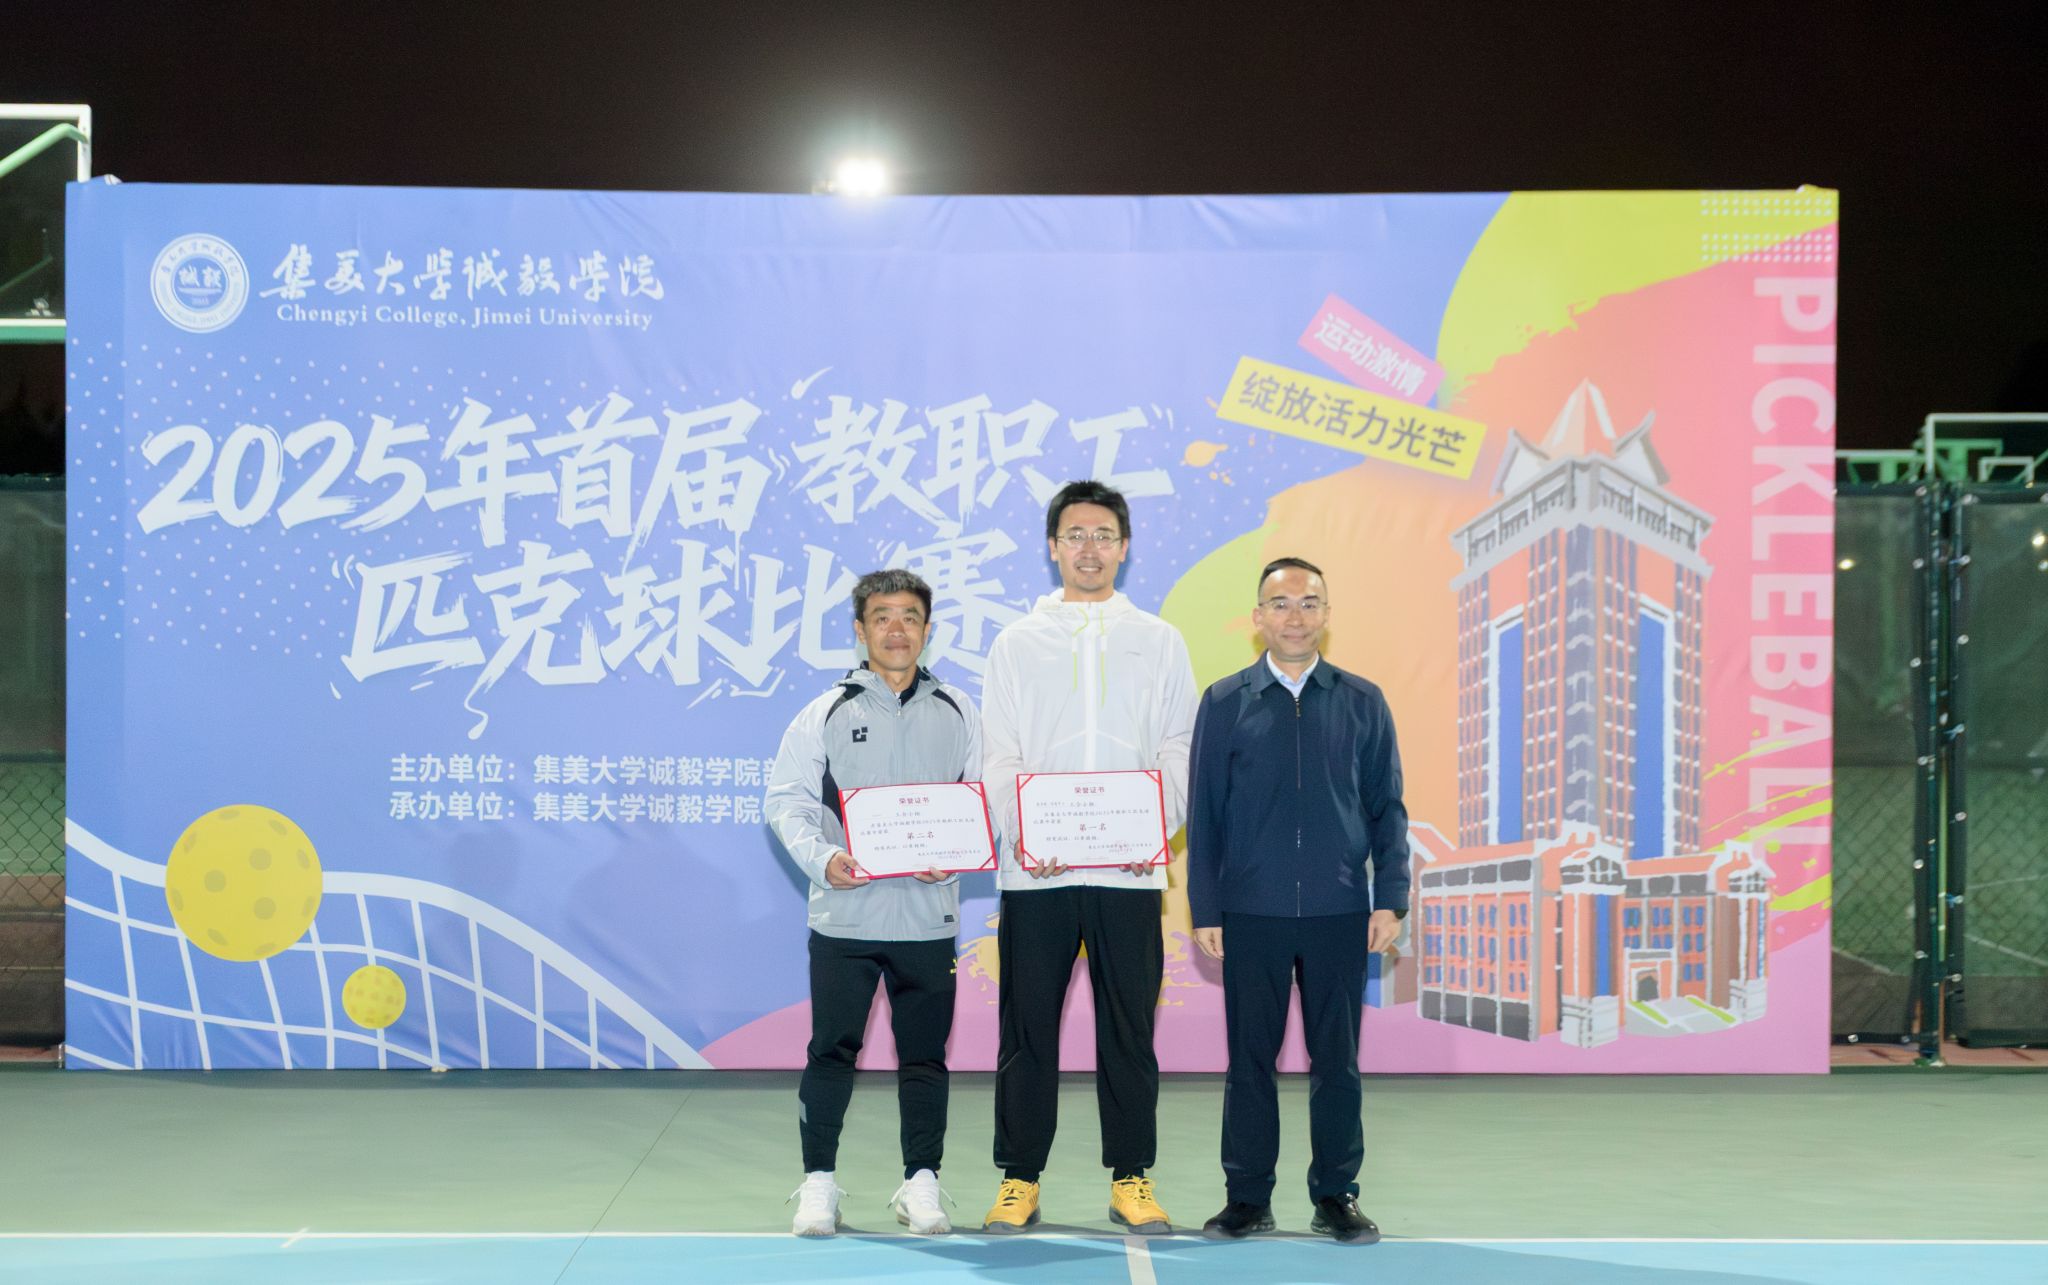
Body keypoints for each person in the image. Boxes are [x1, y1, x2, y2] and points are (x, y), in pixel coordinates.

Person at [977, 480, 1198, 1235]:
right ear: (1053, 546)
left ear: (1125, 546)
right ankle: (1019, 1178)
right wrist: (1026, 834)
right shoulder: (1016, 643)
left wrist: (1150, 830)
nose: (1090, 549)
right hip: (1036, 874)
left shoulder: (1159, 640)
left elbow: (1179, 746)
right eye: (1075, 535)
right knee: (1027, 1030)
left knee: (1128, 1030)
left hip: (1128, 873)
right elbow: (998, 754)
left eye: (1104, 535)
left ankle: (1132, 1175)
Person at [1186, 556, 1409, 1246]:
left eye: (1309, 602)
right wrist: (1206, 907)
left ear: (1327, 614)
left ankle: (1336, 1195)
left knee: (1336, 1063)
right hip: (1250, 911)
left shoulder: (1363, 700)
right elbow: (1205, 814)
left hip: (1341, 911)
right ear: (1258, 617)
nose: (1295, 616)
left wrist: (1390, 897)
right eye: (1281, 604)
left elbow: (1387, 808)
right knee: (1249, 1061)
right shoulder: (1225, 701)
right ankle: (1247, 1196)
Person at [764, 569, 980, 1238]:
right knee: (831, 1051)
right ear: (860, 630)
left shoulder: (959, 710)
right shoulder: (825, 711)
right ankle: (819, 1184)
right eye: (882, 616)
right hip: (846, 918)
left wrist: (960, 849)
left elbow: (985, 800)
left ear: (927, 628)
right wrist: (823, 859)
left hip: (927, 916)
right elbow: (787, 800)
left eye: (910, 616)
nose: (896, 629)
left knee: (924, 1058)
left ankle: (922, 1182)